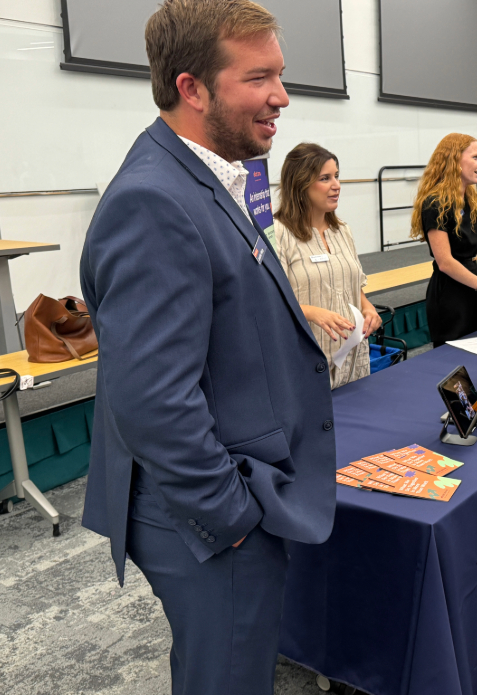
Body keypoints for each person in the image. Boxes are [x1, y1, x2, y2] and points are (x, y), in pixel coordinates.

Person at [79, 2, 336, 693]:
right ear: (191, 88)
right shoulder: (154, 201)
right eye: (259, 79)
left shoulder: (209, 174)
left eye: (280, 75)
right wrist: (231, 518)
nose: (282, 97)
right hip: (204, 521)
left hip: (224, 500)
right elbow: (151, 400)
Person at [275, 143, 382, 388]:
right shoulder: (279, 234)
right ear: (300, 184)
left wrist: (368, 309)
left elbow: (354, 284)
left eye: (336, 176)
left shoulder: (342, 230)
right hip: (308, 362)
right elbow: (271, 301)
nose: (336, 185)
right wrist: (313, 312)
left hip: (353, 359)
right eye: (325, 178)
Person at [410, 133, 477, 347]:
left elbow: (476, 236)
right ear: (455, 161)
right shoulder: (434, 203)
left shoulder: (467, 197)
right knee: (453, 359)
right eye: (475, 157)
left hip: (471, 287)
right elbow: (445, 262)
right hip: (449, 295)